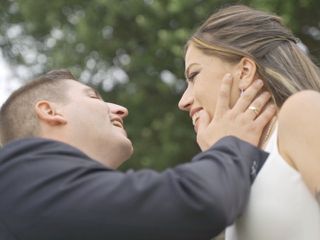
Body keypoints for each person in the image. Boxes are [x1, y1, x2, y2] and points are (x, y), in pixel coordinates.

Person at [0, 69, 273, 240]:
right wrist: (231, 143)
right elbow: (197, 204)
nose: (120, 109)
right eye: (94, 97)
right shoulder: (18, 180)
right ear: (50, 112)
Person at [178, 4, 320, 240]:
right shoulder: (239, 172)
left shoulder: (300, 112)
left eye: (194, 76)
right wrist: (219, 159)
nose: (184, 101)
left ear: (244, 71)